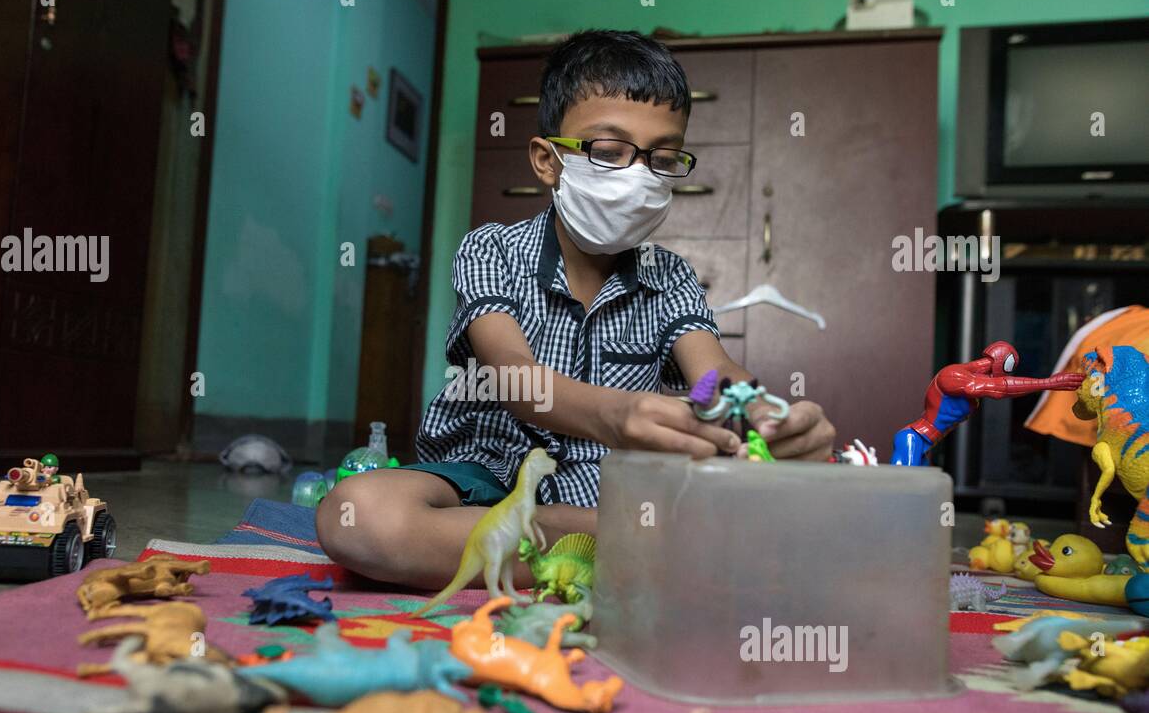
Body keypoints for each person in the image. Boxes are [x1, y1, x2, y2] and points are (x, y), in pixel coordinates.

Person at [318, 29, 834, 590]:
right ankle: (629, 544)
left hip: (615, 485)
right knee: (358, 515)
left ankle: (599, 541)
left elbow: (715, 372)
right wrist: (617, 416)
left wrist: (762, 414)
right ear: (548, 160)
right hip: (490, 474)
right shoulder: (491, 249)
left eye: (661, 158)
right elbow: (514, 378)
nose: (637, 177)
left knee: (775, 491)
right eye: (609, 151)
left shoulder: (673, 278)